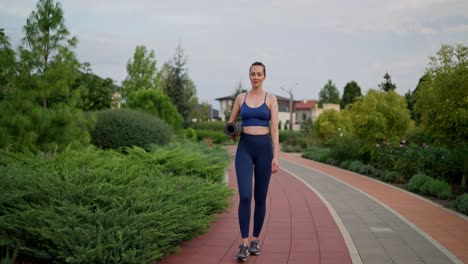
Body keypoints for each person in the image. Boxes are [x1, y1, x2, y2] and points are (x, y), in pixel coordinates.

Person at [228, 62, 279, 261]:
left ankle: (256, 239)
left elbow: (274, 128)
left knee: (260, 197)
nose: (255, 77)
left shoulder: (271, 99)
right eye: (252, 74)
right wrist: (232, 130)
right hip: (245, 149)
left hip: (265, 150)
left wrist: (276, 156)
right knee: (245, 195)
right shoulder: (241, 98)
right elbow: (230, 125)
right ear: (249, 76)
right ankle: (244, 243)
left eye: (259, 74)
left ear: (264, 76)